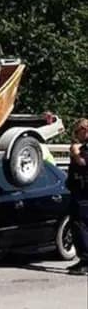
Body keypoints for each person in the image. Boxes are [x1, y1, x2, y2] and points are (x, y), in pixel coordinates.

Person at [66, 118, 88, 275]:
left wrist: (75, 153)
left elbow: (83, 163)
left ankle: (85, 261)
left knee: (80, 224)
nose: (76, 135)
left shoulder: (84, 147)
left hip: (84, 192)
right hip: (79, 190)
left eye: (77, 132)